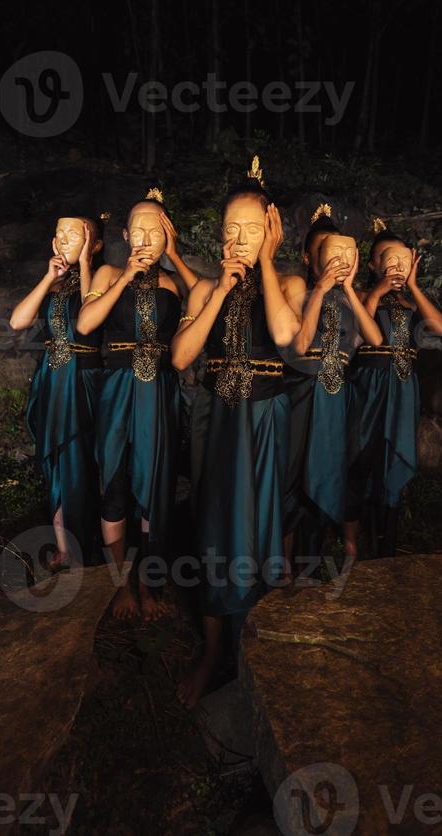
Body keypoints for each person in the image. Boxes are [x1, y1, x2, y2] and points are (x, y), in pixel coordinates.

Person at [171, 156, 304, 709]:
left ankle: (260, 651)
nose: (241, 239)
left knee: (266, 523)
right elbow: (181, 356)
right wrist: (222, 290)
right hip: (217, 421)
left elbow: (283, 334)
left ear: (272, 229)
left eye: (253, 229)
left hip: (268, 419)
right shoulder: (203, 287)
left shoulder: (292, 281)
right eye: (232, 229)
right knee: (213, 529)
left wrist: (267, 264)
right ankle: (211, 654)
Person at [77, 189, 197, 621]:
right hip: (117, 387)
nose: (146, 238)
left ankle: (148, 584)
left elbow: (203, 299)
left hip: (160, 390)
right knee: (113, 483)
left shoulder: (173, 284)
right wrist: (127, 276)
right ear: (126, 235)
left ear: (167, 236)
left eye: (156, 231)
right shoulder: (109, 272)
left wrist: (177, 256)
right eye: (139, 229)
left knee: (154, 484)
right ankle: (119, 583)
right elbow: (87, 324)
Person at [283, 204, 383, 569]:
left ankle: (309, 567)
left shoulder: (347, 298)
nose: (334, 260)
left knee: (324, 471)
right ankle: (280, 565)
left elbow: (372, 338)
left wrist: (350, 287)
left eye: (342, 253)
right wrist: (323, 287)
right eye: (326, 251)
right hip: (301, 389)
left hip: (335, 393)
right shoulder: (297, 290)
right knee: (292, 474)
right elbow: (297, 342)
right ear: (310, 257)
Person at [348, 219, 442, 557]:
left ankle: (386, 542)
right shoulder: (362, 295)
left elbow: (440, 328)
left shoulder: (412, 303)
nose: (394, 266)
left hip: (403, 386)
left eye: (401, 261)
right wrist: (376, 293)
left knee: (394, 456)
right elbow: (357, 337)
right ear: (373, 265)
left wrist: (415, 286)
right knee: (362, 454)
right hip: (370, 384)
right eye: (385, 259)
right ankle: (351, 537)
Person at [10, 213, 106, 568]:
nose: (63, 239)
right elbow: (18, 321)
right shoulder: (54, 282)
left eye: (74, 234)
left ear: (94, 244)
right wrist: (50, 275)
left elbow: (88, 322)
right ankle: (65, 547)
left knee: (80, 458)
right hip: (52, 377)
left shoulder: (102, 278)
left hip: (83, 377)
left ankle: (87, 548)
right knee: (56, 461)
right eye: (58, 233)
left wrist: (84, 265)